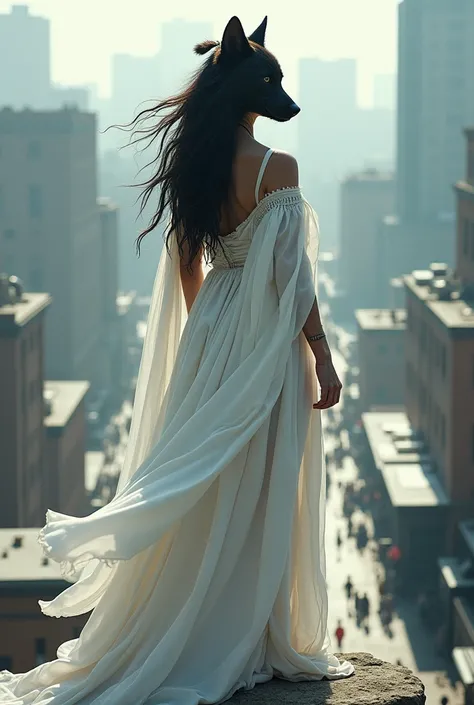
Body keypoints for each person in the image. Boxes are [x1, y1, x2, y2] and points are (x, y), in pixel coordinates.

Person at [0, 15, 354, 705]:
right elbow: (293, 276)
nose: (283, 97)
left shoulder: (196, 168)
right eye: (270, 84)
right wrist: (322, 354)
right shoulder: (276, 168)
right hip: (262, 341)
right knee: (258, 486)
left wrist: (208, 338)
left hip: (212, 331)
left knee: (205, 485)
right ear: (246, 91)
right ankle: (248, 632)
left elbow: (186, 269)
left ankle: (202, 626)